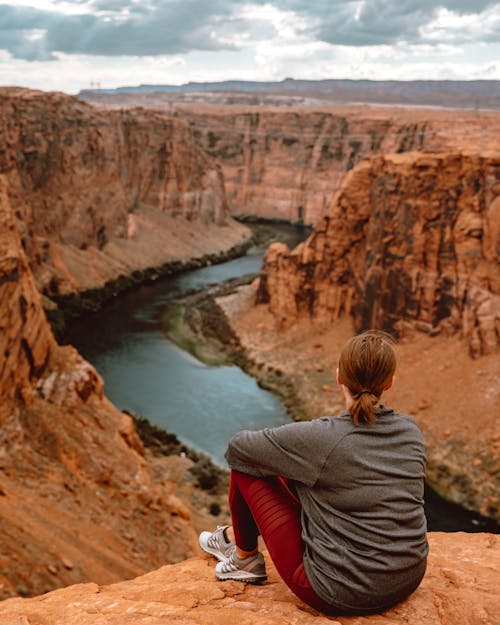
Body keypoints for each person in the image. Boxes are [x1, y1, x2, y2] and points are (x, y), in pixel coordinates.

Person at [199, 330, 429, 615]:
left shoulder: (323, 439)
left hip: (338, 592)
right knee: (289, 466)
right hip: (407, 578)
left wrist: (286, 450)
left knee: (249, 467)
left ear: (338, 377)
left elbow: (238, 449)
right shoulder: (411, 432)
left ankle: (244, 558)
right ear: (390, 382)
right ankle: (235, 536)